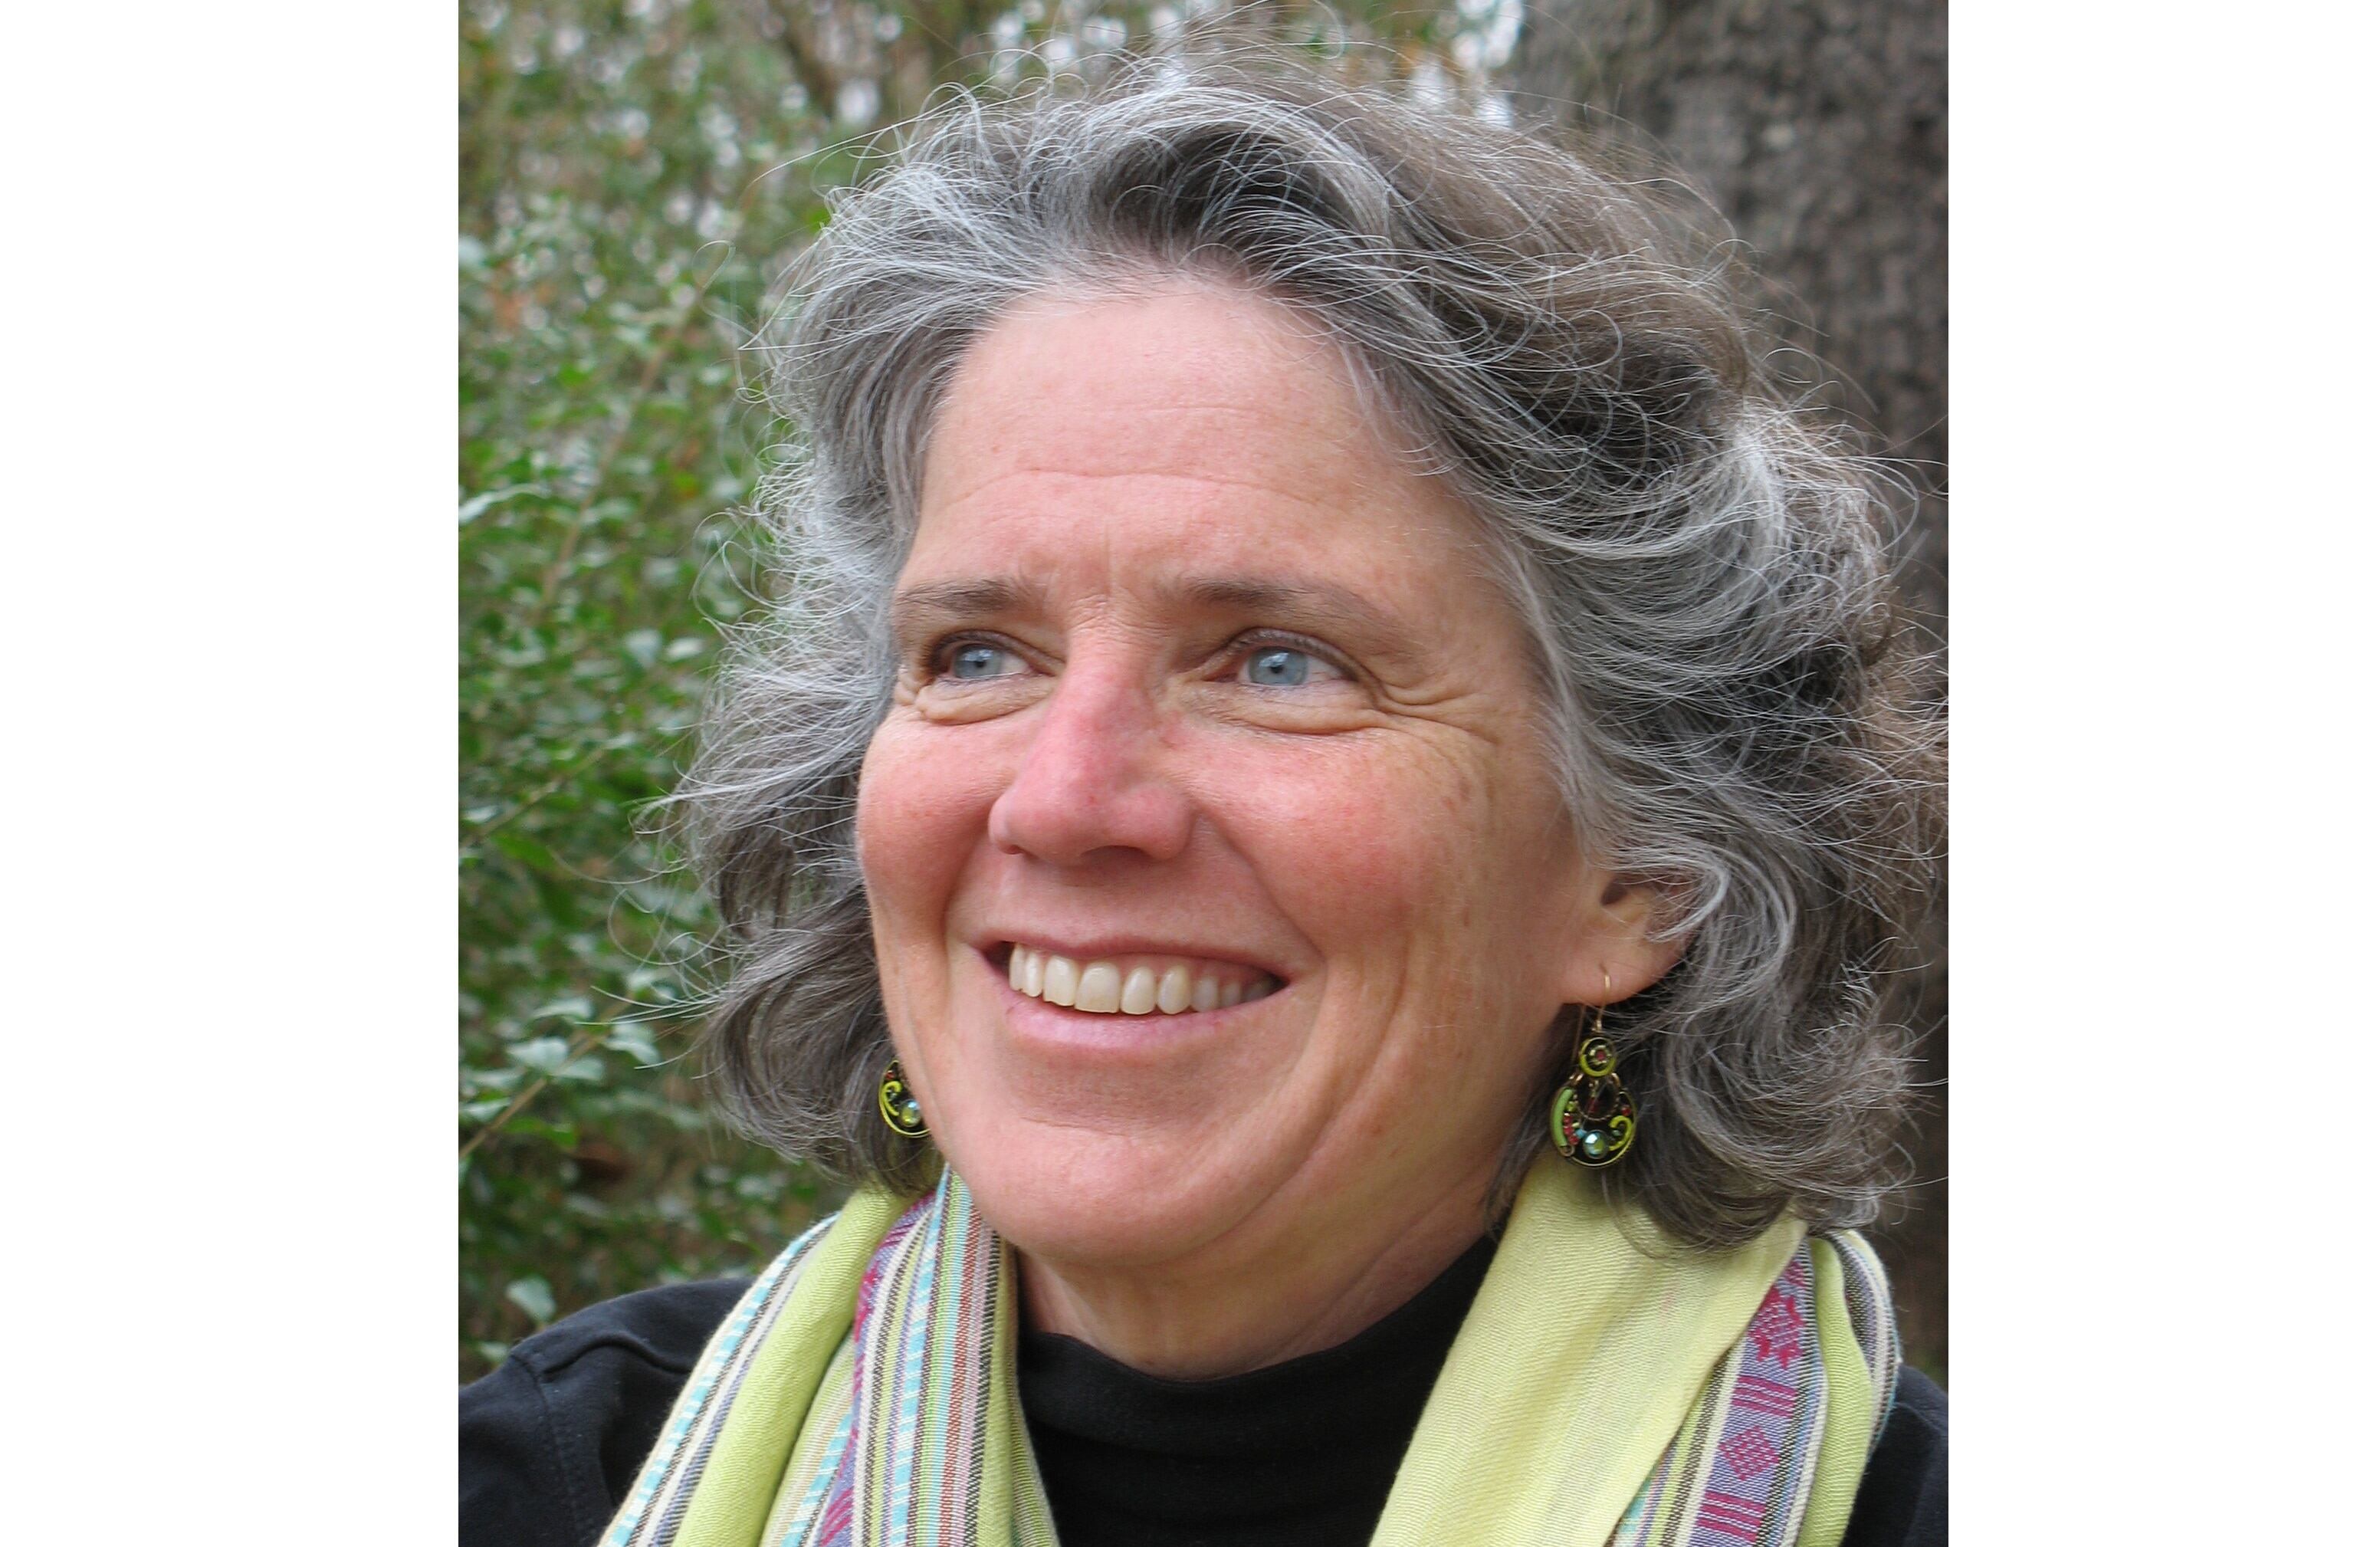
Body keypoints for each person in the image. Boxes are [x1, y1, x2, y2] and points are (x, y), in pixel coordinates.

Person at [463, 49, 1947, 1547]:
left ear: (1640, 868)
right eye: (976, 654)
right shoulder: (546, 1483)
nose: (1061, 802)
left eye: (1280, 664)